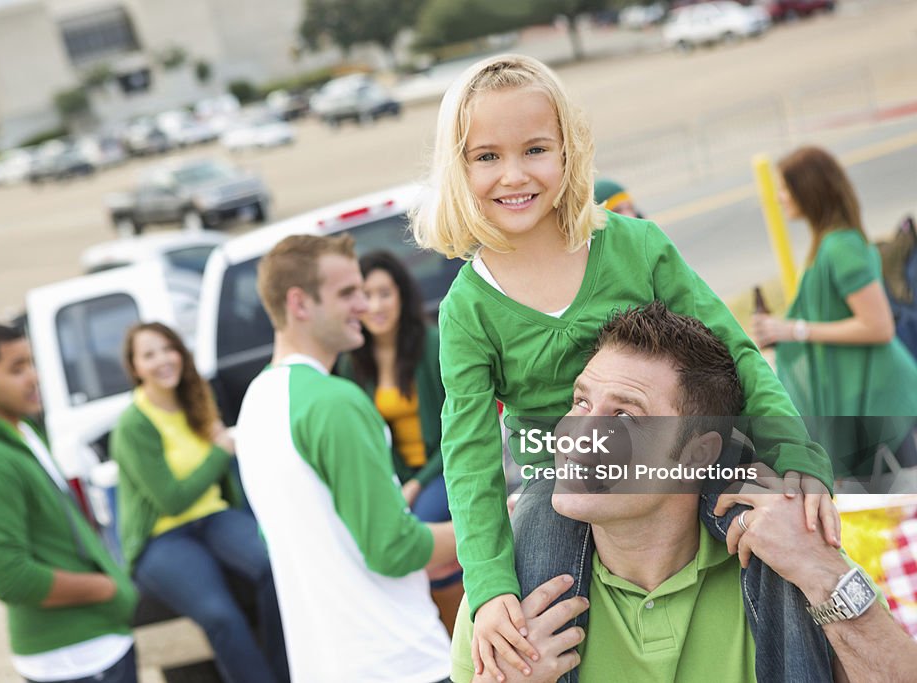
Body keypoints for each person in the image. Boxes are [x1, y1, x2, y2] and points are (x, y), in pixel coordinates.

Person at [409, 53, 837, 681]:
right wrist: (490, 582)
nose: (514, 174)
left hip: (682, 451)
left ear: (569, 151)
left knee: (785, 546)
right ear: (458, 167)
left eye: (535, 149)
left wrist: (796, 454)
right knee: (527, 622)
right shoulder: (468, 308)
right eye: (486, 157)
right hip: (562, 487)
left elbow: (737, 353)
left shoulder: (636, 246)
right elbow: (469, 449)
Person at [451, 303, 917, 683]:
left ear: (696, 455)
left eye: (624, 418)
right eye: (581, 401)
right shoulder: (505, 596)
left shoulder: (788, 556)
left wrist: (821, 572)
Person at [236, 234, 457, 683]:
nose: (363, 304)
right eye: (347, 293)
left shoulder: (256, 402)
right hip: (399, 661)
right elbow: (394, 549)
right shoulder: (336, 401)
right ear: (299, 303)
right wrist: (502, 526)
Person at [0, 324, 139, 683]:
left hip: (97, 644)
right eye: (17, 368)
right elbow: (10, 577)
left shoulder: (19, 431)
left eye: (32, 364)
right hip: (74, 661)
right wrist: (106, 589)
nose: (34, 377)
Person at [110, 322, 289, 683]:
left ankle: (285, 673)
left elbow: (224, 482)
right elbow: (172, 500)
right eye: (149, 354)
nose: (163, 359)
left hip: (213, 517)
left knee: (276, 566)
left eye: (168, 348)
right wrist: (219, 452)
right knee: (220, 615)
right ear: (134, 367)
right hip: (163, 537)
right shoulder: (134, 424)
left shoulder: (196, 397)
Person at [753, 146, 917, 480]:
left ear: (809, 190)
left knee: (898, 504)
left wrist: (795, 330)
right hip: (863, 399)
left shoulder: (841, 247)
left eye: (785, 188)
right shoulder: (828, 244)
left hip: (879, 401)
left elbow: (879, 326)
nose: (780, 197)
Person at [336, 250, 464, 630]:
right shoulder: (351, 364)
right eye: (366, 295)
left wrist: (414, 484)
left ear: (402, 296)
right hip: (396, 478)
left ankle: (454, 628)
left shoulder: (431, 344)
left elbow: (457, 432)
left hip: (444, 466)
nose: (375, 306)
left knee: (418, 529)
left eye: (384, 294)